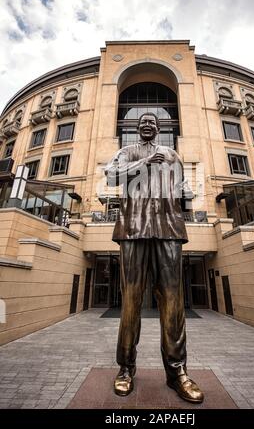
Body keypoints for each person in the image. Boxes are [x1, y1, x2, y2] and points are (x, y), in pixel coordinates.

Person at [105, 112, 204, 403]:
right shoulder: (127, 152)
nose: (147, 125)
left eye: (153, 122)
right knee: (131, 300)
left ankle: (177, 373)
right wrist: (143, 164)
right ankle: (125, 368)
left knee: (173, 302)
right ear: (138, 128)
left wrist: (186, 195)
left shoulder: (173, 155)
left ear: (159, 129)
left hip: (168, 228)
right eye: (143, 122)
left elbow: (182, 190)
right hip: (133, 227)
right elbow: (111, 176)